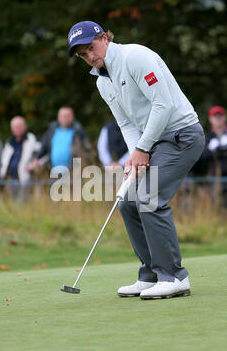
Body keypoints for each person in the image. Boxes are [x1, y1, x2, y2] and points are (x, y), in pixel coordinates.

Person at [68, 21, 205, 300]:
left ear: (104, 38)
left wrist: (143, 149)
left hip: (183, 135)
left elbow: (163, 104)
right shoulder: (102, 81)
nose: (91, 57)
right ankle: (152, 274)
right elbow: (126, 124)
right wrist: (136, 155)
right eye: (83, 55)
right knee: (129, 200)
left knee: (149, 198)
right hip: (154, 142)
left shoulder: (136, 58)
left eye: (92, 48)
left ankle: (174, 276)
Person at [28, 106, 91, 174]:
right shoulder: (51, 132)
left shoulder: (79, 132)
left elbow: (87, 151)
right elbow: (43, 149)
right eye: (63, 116)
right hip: (53, 173)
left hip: (74, 174)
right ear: (58, 118)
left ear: (73, 117)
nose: (65, 118)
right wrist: (35, 160)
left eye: (67, 116)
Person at [0, 116, 40, 201]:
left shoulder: (32, 139)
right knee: (12, 204)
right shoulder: (9, 143)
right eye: (15, 127)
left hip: (26, 179)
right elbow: (4, 161)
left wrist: (33, 165)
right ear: (12, 129)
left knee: (23, 204)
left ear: (25, 127)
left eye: (19, 126)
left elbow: (40, 156)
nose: (17, 129)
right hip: (11, 180)